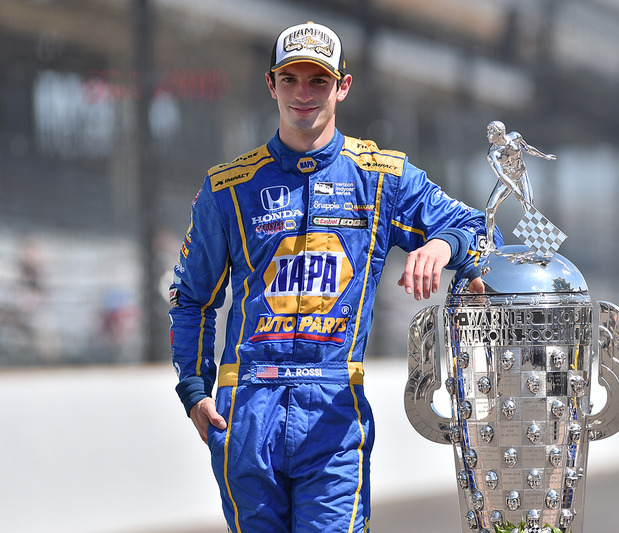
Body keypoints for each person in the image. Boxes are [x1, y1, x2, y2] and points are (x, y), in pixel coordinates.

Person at [169, 21, 499, 533]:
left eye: (318, 80)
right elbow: (190, 299)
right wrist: (195, 390)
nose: (304, 94)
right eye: (291, 79)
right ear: (271, 84)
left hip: (333, 410)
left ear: (342, 86)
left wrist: (441, 244)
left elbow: (479, 228)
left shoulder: (381, 175)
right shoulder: (227, 189)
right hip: (246, 410)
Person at [484, 120, 555, 249]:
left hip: (521, 175)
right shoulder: (492, 153)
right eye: (488, 131)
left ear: (500, 133)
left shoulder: (515, 137)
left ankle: (541, 246)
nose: (488, 135)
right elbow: (501, 174)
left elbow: (527, 148)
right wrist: (515, 189)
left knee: (528, 208)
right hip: (506, 181)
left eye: (491, 132)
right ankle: (490, 245)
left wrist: (544, 156)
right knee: (490, 209)